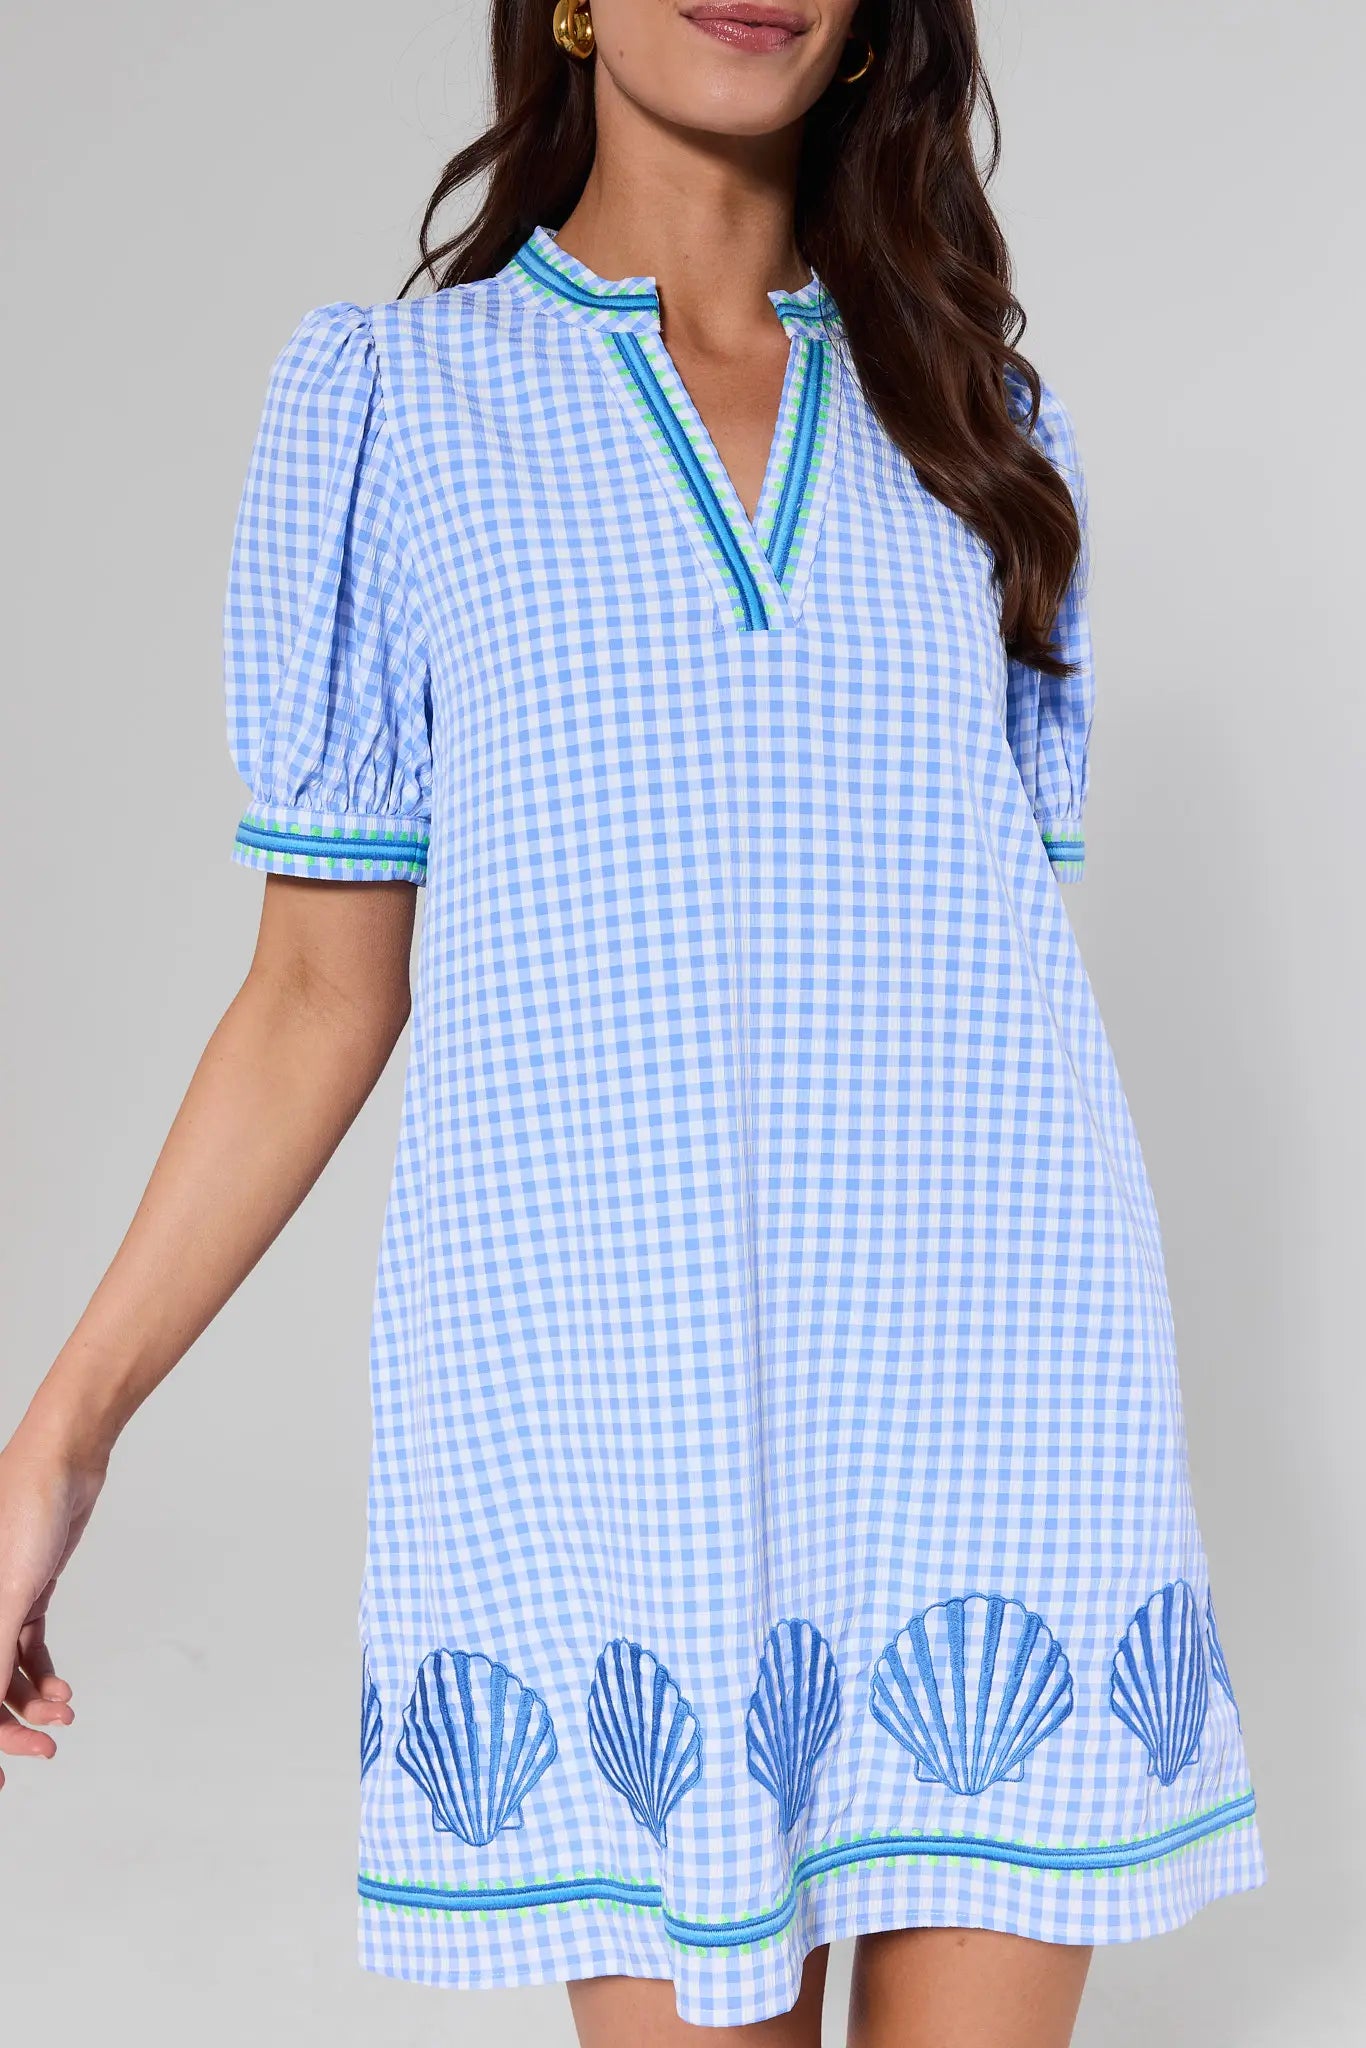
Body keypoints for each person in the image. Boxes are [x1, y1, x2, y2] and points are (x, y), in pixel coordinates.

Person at [0, 2, 1264, 2042]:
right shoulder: (399, 410)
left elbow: (959, 995)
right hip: (626, 1441)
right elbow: (319, 988)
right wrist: (61, 1435)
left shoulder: (980, 425)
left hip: (999, 1426)